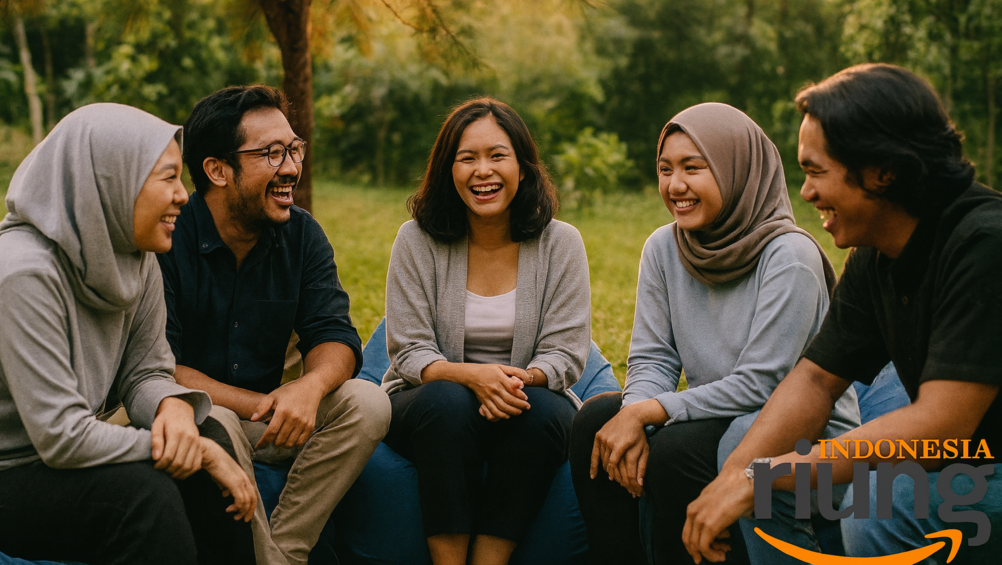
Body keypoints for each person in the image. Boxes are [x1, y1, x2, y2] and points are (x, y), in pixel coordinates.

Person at [682, 64, 1002, 563]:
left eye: (815, 171)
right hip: (957, 466)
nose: (805, 192)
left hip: (983, 468)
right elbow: (815, 382)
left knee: (882, 503)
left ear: (881, 171)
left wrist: (756, 478)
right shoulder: (877, 254)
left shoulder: (984, 243)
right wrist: (735, 477)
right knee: (746, 447)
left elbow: (942, 426)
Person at [570, 102, 860, 565]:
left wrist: (654, 409)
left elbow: (764, 385)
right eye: (665, 169)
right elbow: (653, 358)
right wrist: (634, 417)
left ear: (736, 169)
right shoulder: (665, 247)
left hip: (802, 445)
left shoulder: (789, 258)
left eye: (692, 167)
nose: (675, 185)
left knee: (678, 448)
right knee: (597, 423)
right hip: (717, 418)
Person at [0, 104, 257, 565]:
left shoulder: (136, 259)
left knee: (205, 433)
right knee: (143, 495)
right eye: (167, 178)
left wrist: (174, 410)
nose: (184, 195)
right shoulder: (21, 276)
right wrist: (195, 452)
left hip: (56, 459)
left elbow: (146, 370)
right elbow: (62, 435)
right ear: (111, 180)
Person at [159, 85, 391, 565]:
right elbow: (160, 366)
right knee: (217, 421)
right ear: (217, 170)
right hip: (197, 416)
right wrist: (264, 405)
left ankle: (285, 551)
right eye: (271, 153)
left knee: (368, 402)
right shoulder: (170, 238)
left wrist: (309, 388)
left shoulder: (302, 233)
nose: (290, 167)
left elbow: (335, 336)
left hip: (275, 424)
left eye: (293, 148)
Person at [382, 97, 591, 565]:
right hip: (429, 403)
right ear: (447, 170)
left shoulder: (562, 243)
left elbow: (567, 351)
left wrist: (517, 381)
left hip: (522, 400)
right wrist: (471, 378)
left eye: (497, 156)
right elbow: (409, 350)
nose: (483, 171)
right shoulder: (415, 240)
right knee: (447, 402)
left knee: (541, 413)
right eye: (467, 158)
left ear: (523, 166)